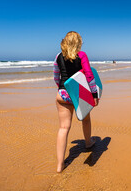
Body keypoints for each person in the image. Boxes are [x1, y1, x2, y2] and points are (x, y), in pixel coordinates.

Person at [53, 31, 99, 173]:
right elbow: (89, 75)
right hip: (78, 95)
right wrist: (94, 94)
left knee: (63, 128)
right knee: (85, 120)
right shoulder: (82, 55)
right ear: (78, 42)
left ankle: (60, 164)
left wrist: (62, 89)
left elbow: (56, 76)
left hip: (62, 95)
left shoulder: (58, 56)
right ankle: (88, 143)